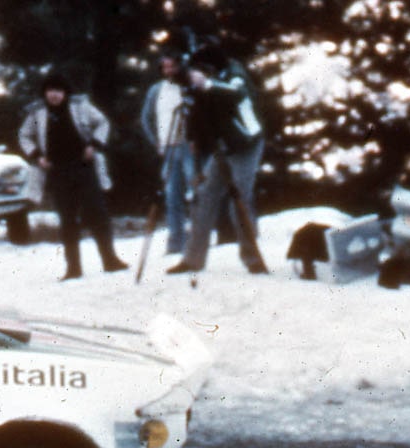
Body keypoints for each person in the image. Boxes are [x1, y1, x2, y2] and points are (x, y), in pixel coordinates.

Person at [166, 44, 270, 275]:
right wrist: (193, 138)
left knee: (238, 200)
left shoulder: (234, 74)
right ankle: (193, 259)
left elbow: (236, 93)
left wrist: (207, 84)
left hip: (246, 143)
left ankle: (253, 260)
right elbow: (197, 111)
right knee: (204, 196)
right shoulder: (208, 80)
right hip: (223, 145)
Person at [18, 73, 128, 281]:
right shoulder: (36, 112)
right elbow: (24, 136)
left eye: (58, 91)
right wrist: (37, 156)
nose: (54, 95)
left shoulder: (80, 106)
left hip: (84, 167)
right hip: (57, 171)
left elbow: (102, 122)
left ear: (65, 92)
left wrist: (94, 145)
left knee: (97, 214)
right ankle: (73, 268)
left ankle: (110, 260)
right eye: (50, 91)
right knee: (67, 219)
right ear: (44, 93)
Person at [140, 53, 195, 255]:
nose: (169, 71)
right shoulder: (156, 90)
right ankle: (176, 242)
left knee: (197, 193)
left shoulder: (189, 86)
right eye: (165, 67)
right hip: (168, 148)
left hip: (189, 146)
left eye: (173, 66)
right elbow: (146, 118)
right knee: (172, 196)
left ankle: (198, 241)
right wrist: (155, 141)